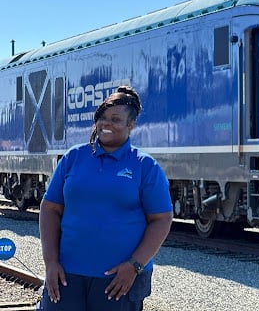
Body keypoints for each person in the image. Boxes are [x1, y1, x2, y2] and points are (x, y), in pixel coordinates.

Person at [39, 86, 173, 310]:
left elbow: (161, 219)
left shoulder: (144, 166)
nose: (105, 124)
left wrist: (134, 265)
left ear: (131, 125)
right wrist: (50, 262)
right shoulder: (74, 157)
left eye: (115, 119)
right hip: (67, 275)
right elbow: (50, 209)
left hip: (119, 279)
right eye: (102, 118)